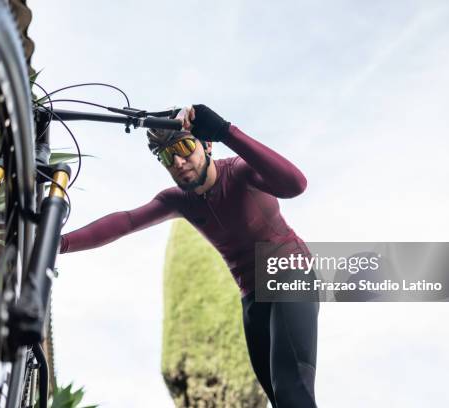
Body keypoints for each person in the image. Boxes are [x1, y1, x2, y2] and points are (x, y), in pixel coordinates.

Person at [59, 104, 319, 408]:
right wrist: (57, 244)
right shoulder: (179, 200)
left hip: (290, 271)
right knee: (279, 399)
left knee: (291, 390)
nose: (179, 162)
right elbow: (127, 221)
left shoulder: (238, 171)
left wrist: (226, 131)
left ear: (206, 145)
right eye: (168, 157)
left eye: (184, 147)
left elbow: (296, 184)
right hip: (251, 295)